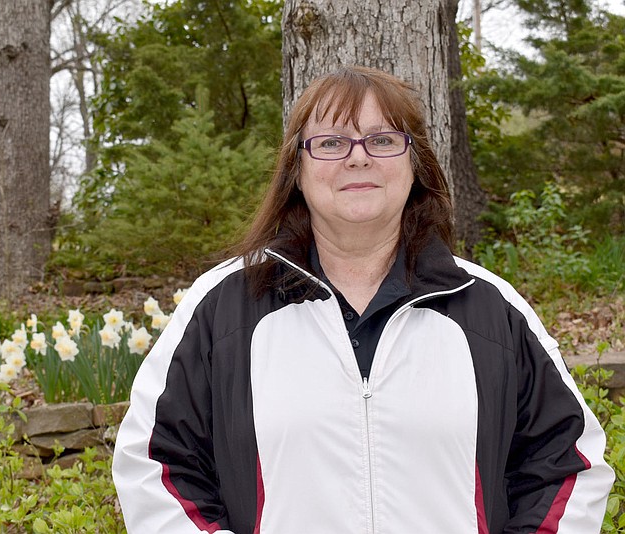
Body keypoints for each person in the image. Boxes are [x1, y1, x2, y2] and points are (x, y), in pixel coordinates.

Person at [112, 65, 614, 533]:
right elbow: (154, 464)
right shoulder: (223, 308)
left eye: (382, 139)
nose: (358, 156)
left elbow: (569, 463)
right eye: (330, 142)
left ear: (414, 163)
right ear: (297, 168)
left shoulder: (490, 310)